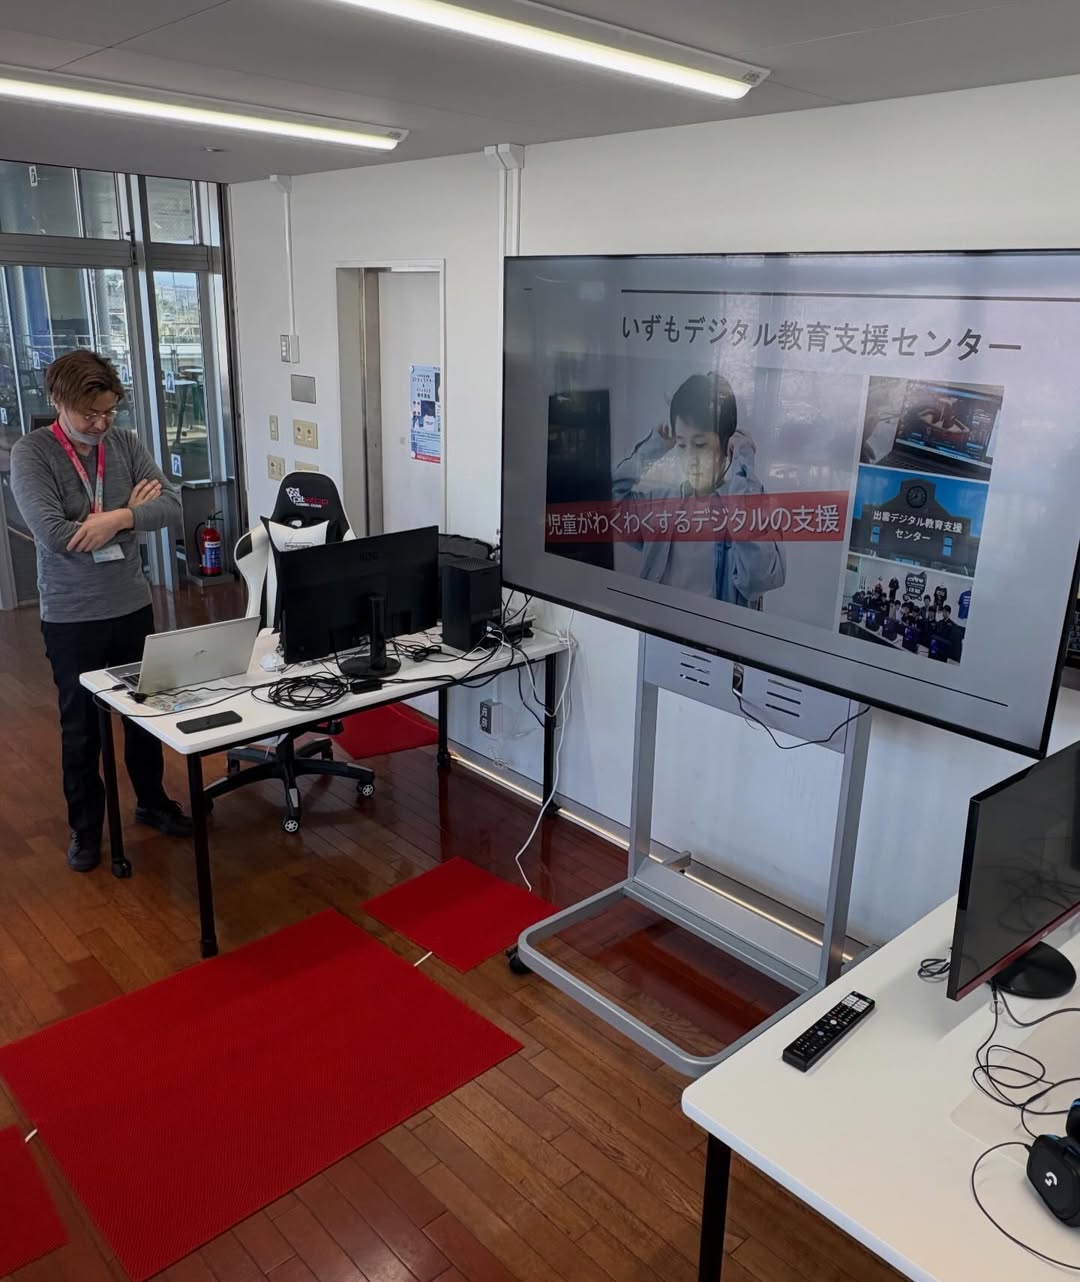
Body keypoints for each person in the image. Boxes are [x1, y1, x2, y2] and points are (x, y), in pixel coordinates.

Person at [10, 350, 192, 873]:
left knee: (145, 711)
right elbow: (54, 534)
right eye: (89, 414)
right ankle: (86, 829)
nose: (100, 424)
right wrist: (132, 513)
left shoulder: (125, 443)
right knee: (82, 728)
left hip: (131, 603)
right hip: (71, 615)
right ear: (58, 401)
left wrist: (115, 518)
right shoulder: (33, 454)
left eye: (109, 411)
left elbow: (172, 504)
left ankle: (152, 802)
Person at [611, 372, 785, 608]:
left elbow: (759, 578)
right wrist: (652, 449)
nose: (690, 459)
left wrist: (743, 465)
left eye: (700, 445)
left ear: (726, 445)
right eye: (681, 445)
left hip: (711, 631)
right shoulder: (660, 504)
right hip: (655, 625)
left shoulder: (753, 505)